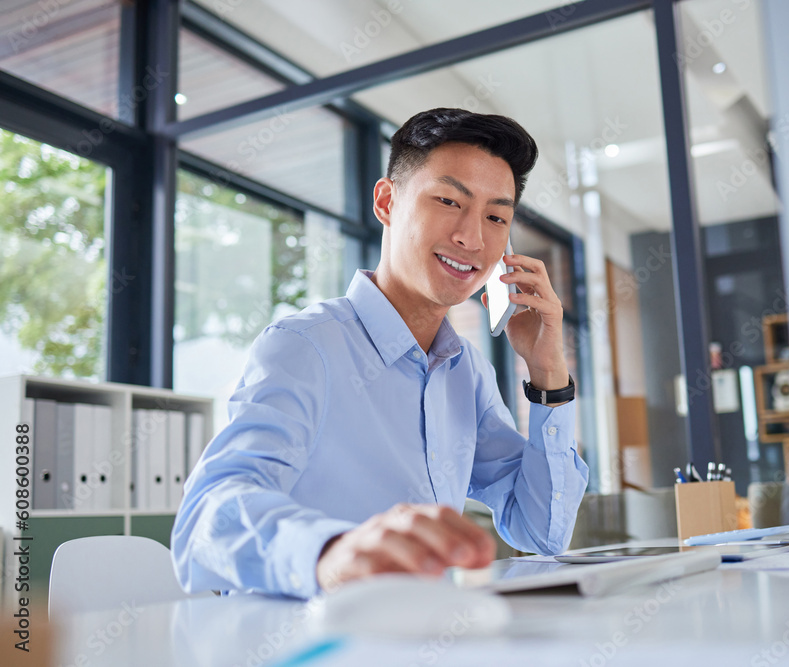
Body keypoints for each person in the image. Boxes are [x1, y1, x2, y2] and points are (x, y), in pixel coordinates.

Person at [170, 108, 589, 599]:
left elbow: (541, 532)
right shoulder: (305, 346)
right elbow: (207, 517)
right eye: (450, 201)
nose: (473, 238)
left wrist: (548, 374)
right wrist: (332, 552)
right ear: (388, 202)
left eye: (497, 217)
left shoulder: (464, 370)